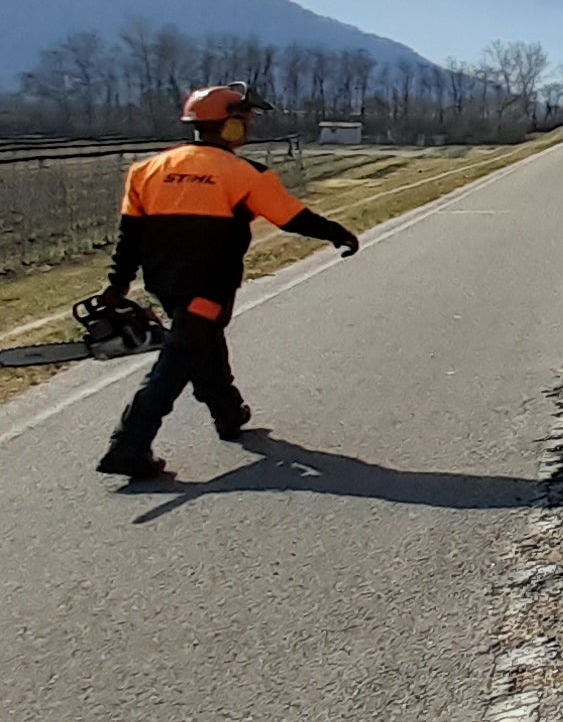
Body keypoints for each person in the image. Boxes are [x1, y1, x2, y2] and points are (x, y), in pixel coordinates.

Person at [92, 85, 361, 482]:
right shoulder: (246, 174)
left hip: (165, 284)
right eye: (246, 119)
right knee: (180, 357)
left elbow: (129, 235)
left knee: (202, 341)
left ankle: (228, 413)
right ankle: (128, 445)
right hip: (210, 285)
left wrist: (118, 283)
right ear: (230, 125)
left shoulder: (145, 170)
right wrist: (337, 232)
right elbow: (291, 218)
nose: (249, 125)